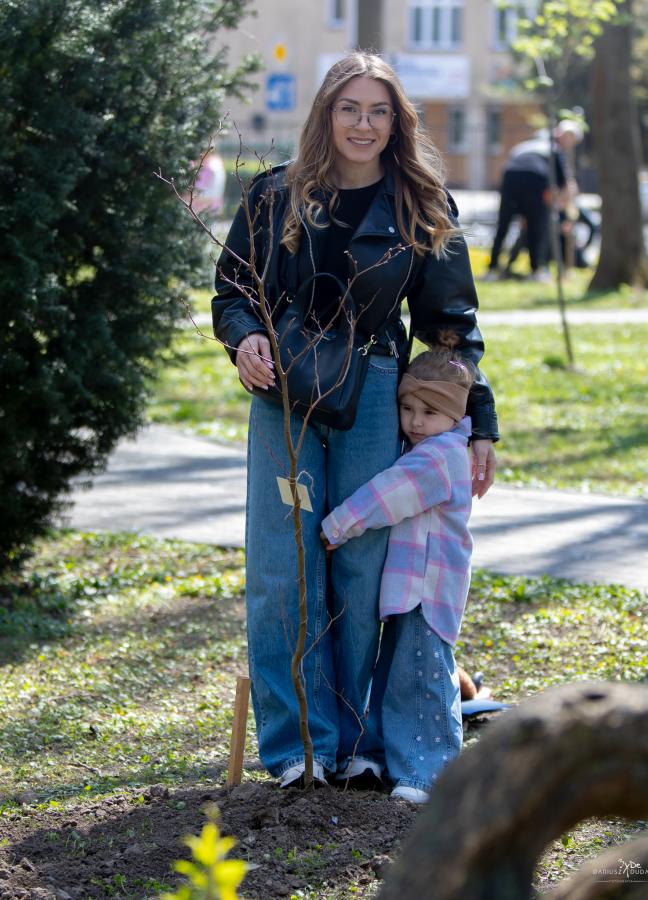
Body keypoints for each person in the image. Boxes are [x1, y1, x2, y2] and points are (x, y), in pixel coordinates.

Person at [211, 51, 499, 791]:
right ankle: (298, 748)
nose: (363, 125)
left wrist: (481, 420)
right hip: (283, 393)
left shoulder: (423, 204)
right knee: (283, 568)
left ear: (397, 122)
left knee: (364, 567)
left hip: (374, 391)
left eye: (378, 111)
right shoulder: (276, 194)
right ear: (326, 114)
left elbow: (450, 331)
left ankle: (360, 744)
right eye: (349, 109)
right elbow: (233, 289)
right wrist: (243, 337)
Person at [320, 334, 475, 803]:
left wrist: (339, 525)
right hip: (411, 589)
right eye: (407, 409)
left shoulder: (441, 456)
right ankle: (394, 759)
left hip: (428, 588)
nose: (415, 422)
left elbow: (389, 494)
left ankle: (428, 774)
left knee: (423, 679)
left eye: (429, 412)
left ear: (455, 416)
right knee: (395, 674)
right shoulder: (428, 447)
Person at [485, 120, 583, 281]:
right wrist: (564, 206)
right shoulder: (554, 148)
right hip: (536, 180)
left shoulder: (523, 147)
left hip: (509, 177)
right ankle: (537, 270)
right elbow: (566, 184)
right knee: (536, 226)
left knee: (503, 225)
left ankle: (492, 269)